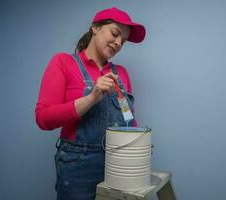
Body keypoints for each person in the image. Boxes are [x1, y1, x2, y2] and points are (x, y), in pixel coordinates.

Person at [35, 7, 146, 200]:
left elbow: (129, 120)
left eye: (124, 41)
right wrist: (91, 98)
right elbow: (43, 119)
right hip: (79, 165)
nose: (119, 43)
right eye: (115, 33)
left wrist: (137, 155)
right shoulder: (63, 62)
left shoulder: (122, 73)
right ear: (95, 27)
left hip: (119, 164)